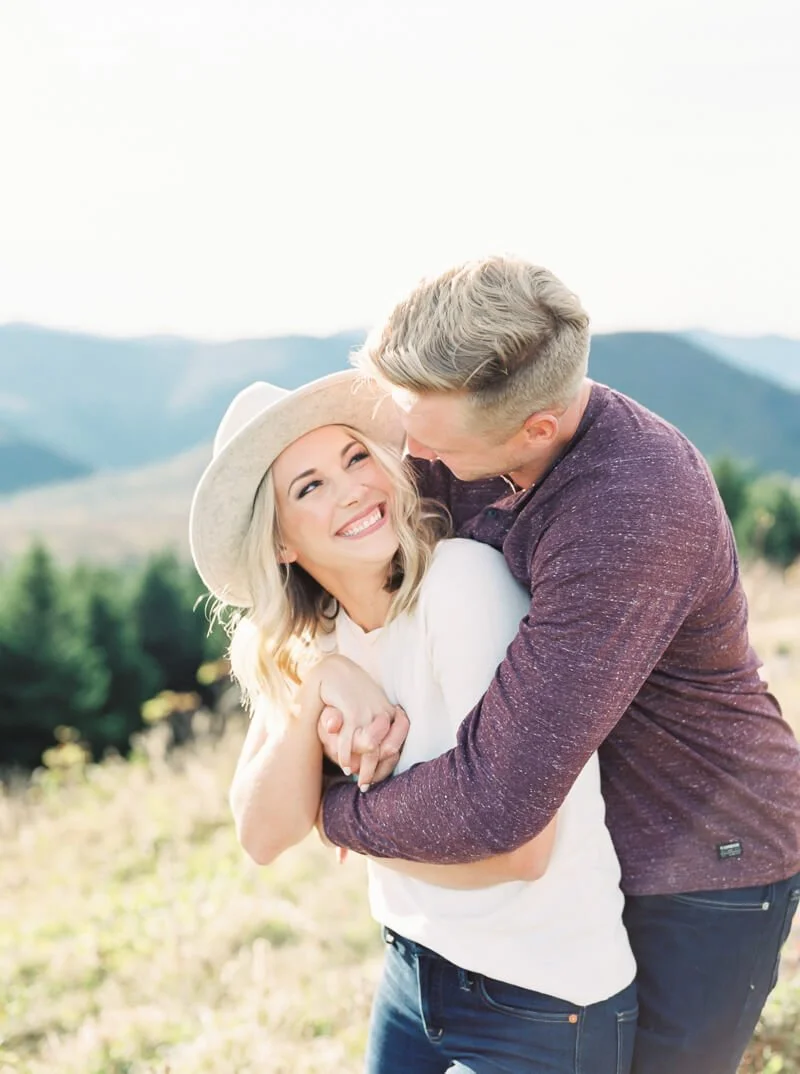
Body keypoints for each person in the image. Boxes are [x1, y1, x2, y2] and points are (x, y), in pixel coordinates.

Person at [315, 256, 800, 1074]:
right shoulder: (450, 429)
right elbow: (308, 566)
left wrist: (329, 811)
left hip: (702, 861)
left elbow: (497, 803)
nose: (404, 446)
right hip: (580, 848)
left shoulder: (633, 507)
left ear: (538, 427)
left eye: (428, 431)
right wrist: (326, 670)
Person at [189, 369, 638, 1074]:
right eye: (309, 487)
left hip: (542, 999)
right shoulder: (318, 641)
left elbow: (520, 851)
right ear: (281, 544)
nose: (353, 490)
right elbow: (260, 832)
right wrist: (314, 689)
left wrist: (345, 824)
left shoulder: (459, 587)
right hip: (411, 977)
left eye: (355, 458)